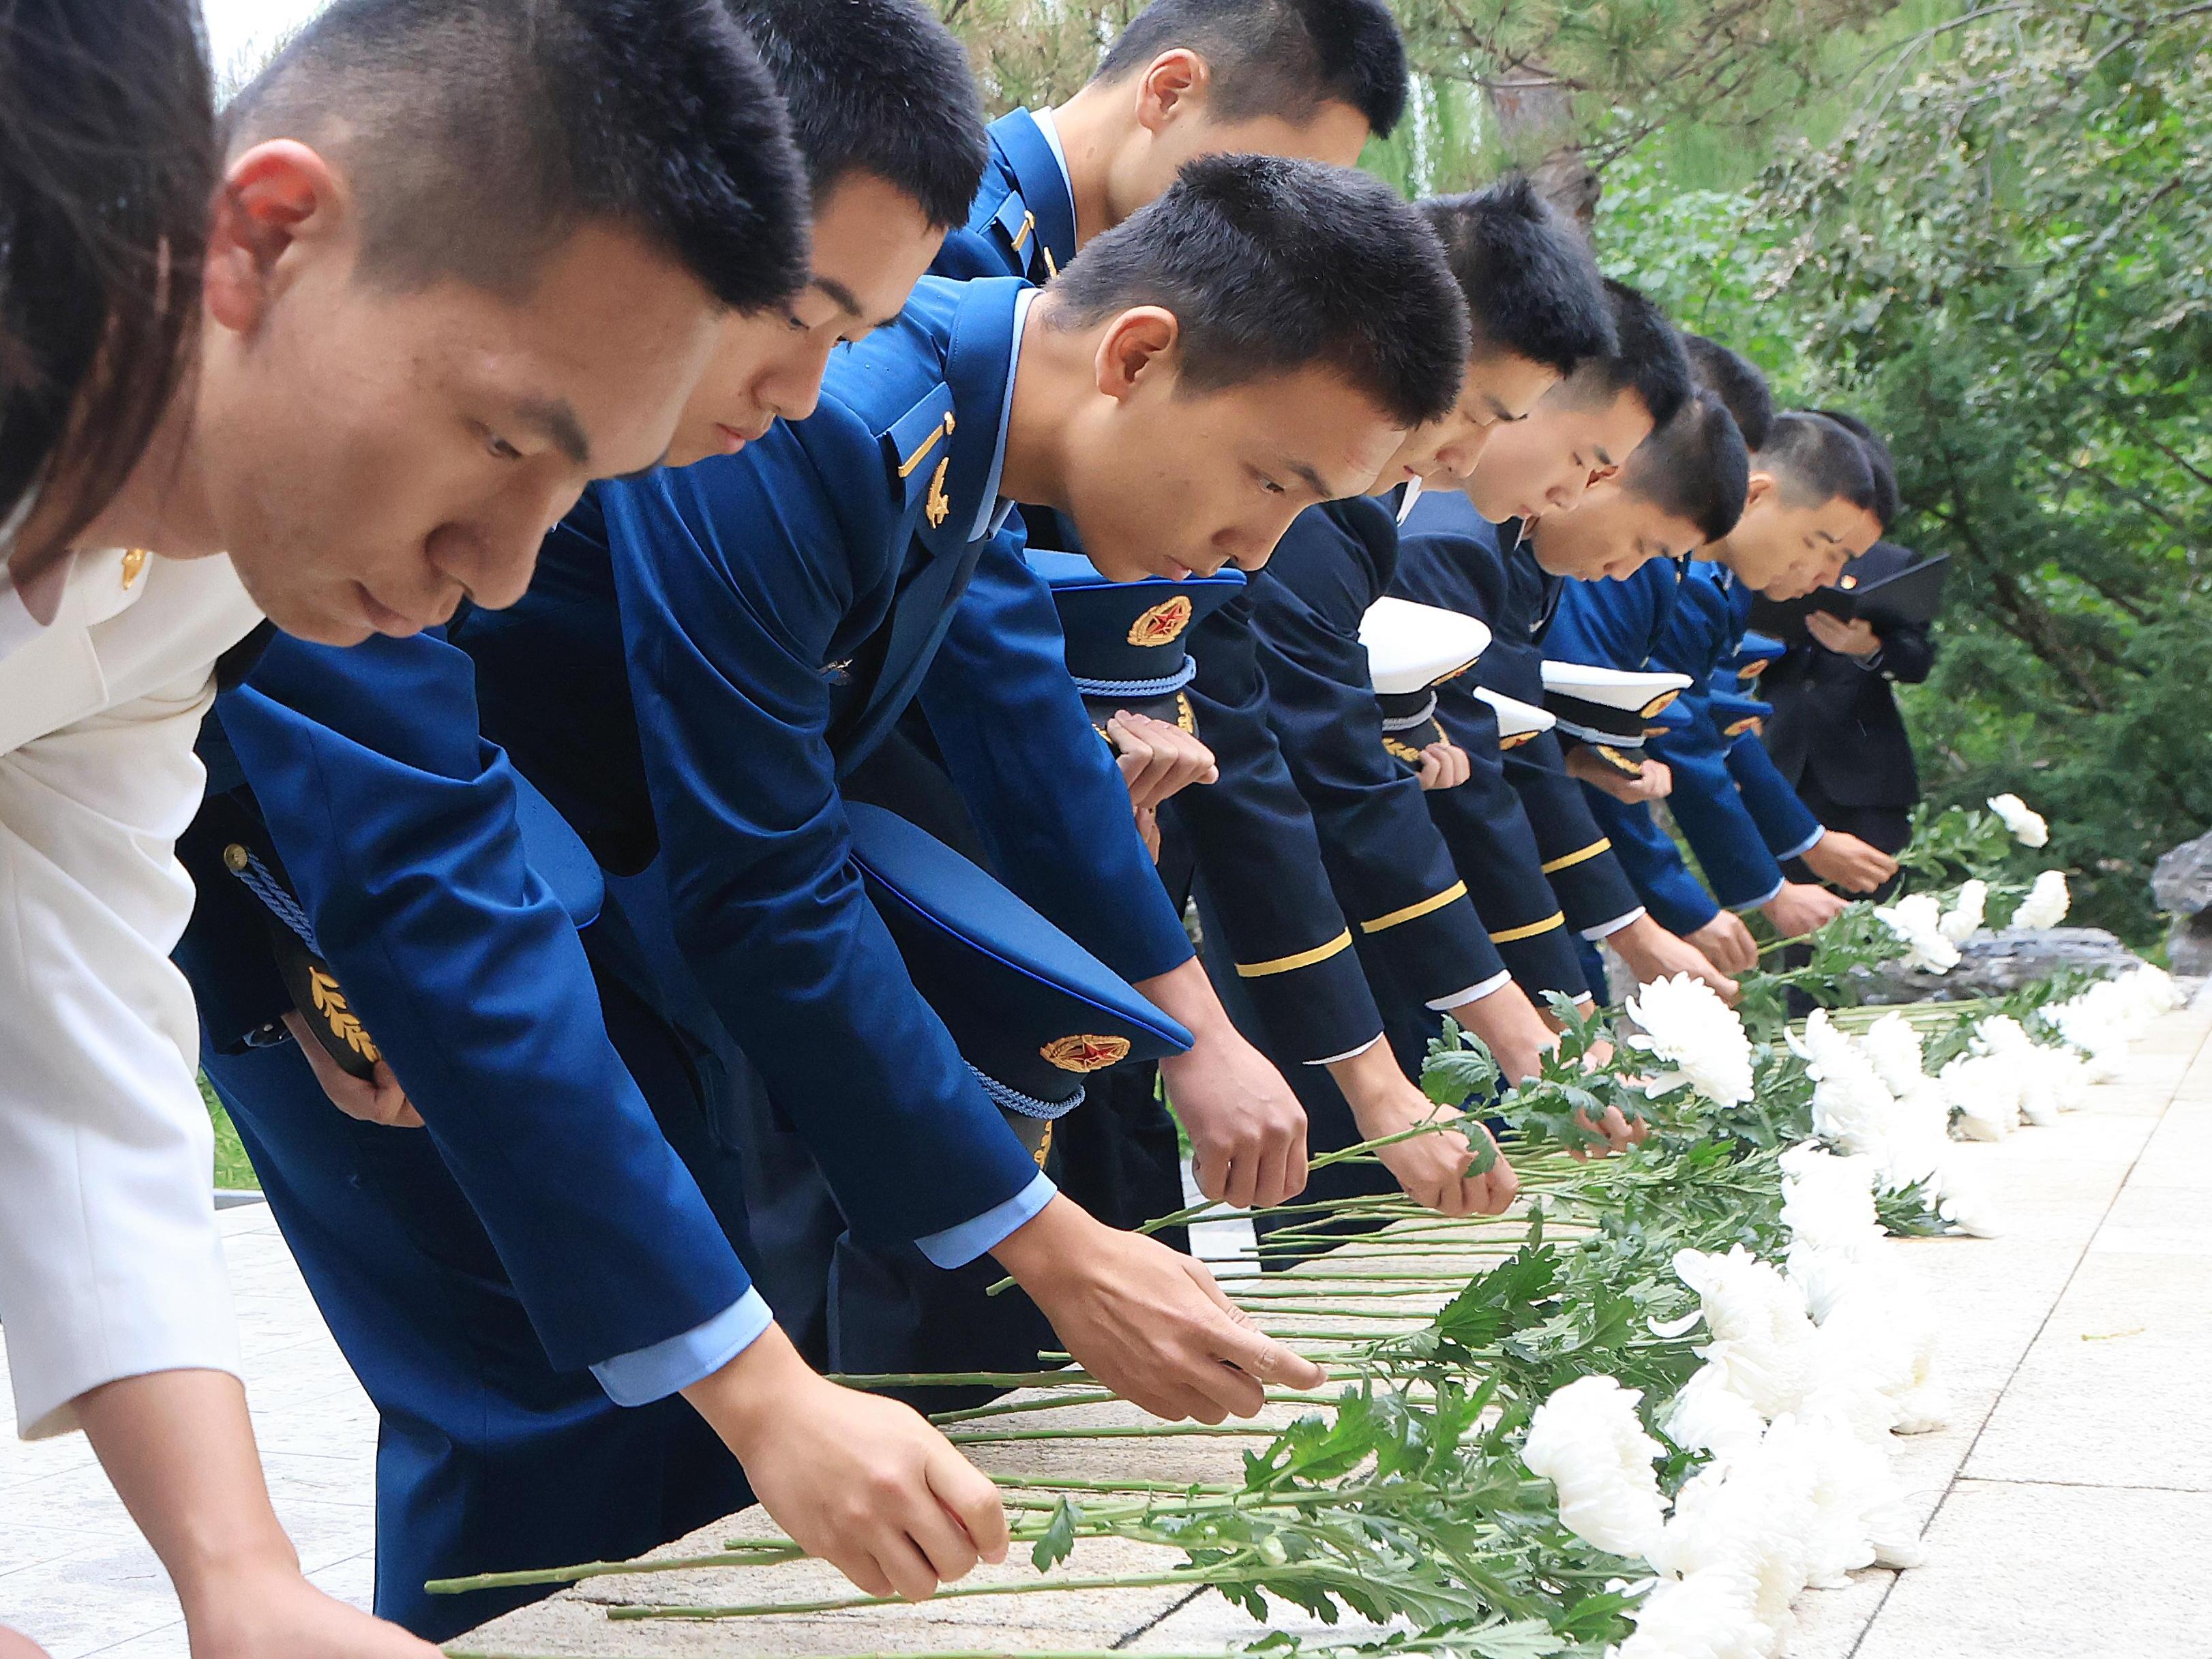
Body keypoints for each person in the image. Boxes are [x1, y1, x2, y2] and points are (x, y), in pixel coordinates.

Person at [173, 0, 1008, 1638]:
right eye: (796, 317)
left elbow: (70, 1009)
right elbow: (424, 855)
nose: (796, 396)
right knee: (536, 1424)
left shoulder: (268, 512)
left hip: (511, 938)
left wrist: (230, 1564)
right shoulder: (281, 480)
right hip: (403, 950)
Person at [0, 1, 809, 1652]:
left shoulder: (217, 546)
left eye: (575, 487)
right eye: (505, 438)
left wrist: (238, 1577)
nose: (502, 567)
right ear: (270, 236)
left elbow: (66, 977)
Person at [458, 155, 1467, 1418]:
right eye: (1270, 481)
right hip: (438, 914)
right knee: (561, 1441)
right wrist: (1051, 1248)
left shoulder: (977, 422)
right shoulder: (833, 417)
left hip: (593, 912)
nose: (1250, 553)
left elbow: (1027, 736)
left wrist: (1197, 1032)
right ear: (1139, 356)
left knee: (665, 1436)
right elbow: (767, 882)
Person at [1160, 182, 1630, 1244]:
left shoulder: (1365, 509)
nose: (1461, 458)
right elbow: (1298, 764)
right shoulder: (1338, 510)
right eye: (1478, 412)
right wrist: (1412, 1061)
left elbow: (1301, 738)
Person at [1390, 286, 1744, 1008]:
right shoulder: (1451, 539)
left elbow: (1500, 734)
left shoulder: (1503, 544)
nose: (1626, 572)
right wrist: (1594, 972)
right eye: (1644, 545)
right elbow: (1488, 769)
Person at [1546, 408, 1895, 970]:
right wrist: (1681, 908)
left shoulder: (1711, 579)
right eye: (1824, 544)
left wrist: (1799, 843)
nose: (1826, 575)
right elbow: (1632, 740)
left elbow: (1707, 727)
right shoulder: (1661, 569)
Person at [934, 0, 1406, 285]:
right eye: (1268, 188)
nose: (1273, 236)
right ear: (1169, 92)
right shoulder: (949, 245)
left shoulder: (1063, 268)